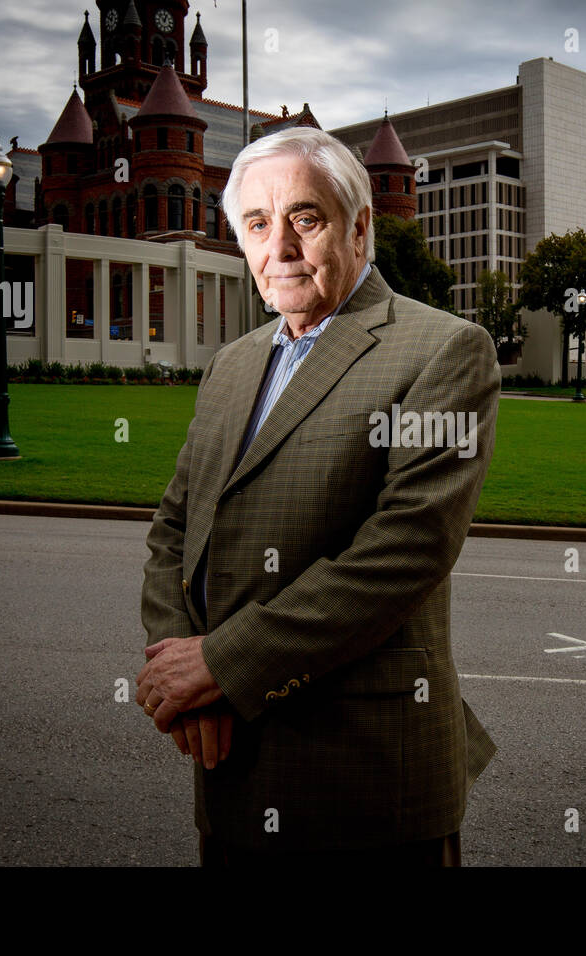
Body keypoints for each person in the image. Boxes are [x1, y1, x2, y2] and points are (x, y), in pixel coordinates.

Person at [136, 126, 499, 866]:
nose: (281, 248)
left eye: (306, 218)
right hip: (231, 766)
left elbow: (409, 546)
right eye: (257, 225)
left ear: (360, 226)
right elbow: (174, 526)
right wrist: (179, 673)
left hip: (366, 782)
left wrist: (222, 665)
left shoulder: (444, 349)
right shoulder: (233, 365)